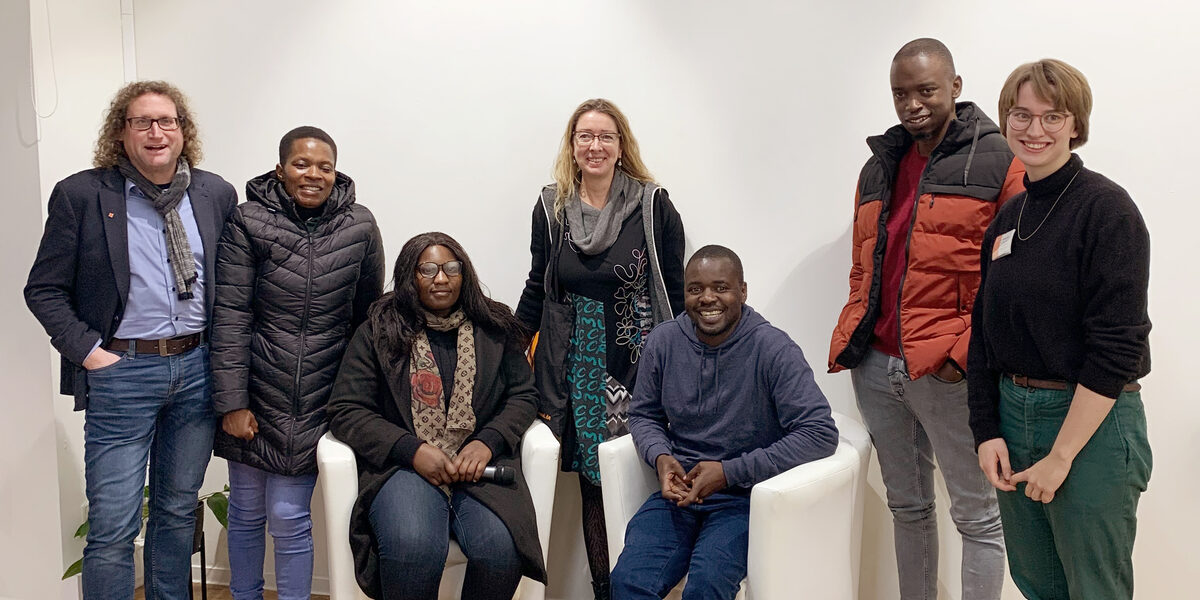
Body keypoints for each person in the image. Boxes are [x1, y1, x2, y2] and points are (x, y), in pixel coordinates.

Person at [827, 38, 1025, 600]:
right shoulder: (878, 165)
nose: (912, 103)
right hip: (878, 367)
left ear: (955, 88)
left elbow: (1009, 281)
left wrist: (959, 356)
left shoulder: (999, 161)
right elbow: (863, 266)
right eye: (900, 93)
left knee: (979, 516)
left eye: (926, 90)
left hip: (946, 371)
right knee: (907, 507)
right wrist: (857, 339)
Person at [24, 81, 237, 599]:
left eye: (167, 121)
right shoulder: (82, 195)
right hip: (122, 375)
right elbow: (44, 289)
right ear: (121, 133)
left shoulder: (214, 194)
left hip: (196, 372)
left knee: (175, 513)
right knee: (114, 528)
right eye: (141, 122)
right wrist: (91, 354)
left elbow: (232, 286)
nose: (155, 132)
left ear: (184, 132)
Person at [968, 59, 1152, 600]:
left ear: (1076, 124)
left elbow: (1117, 347)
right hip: (1013, 418)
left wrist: (1062, 454)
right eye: (1020, 115)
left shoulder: (1107, 210)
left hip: (1090, 424)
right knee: (1037, 584)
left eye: (1053, 117)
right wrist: (986, 431)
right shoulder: (1009, 218)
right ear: (1005, 121)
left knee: (1094, 589)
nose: (1034, 129)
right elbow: (984, 334)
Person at [515, 98, 685, 598]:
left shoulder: (652, 205)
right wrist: (509, 345)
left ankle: (643, 584)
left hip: (641, 358)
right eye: (585, 136)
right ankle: (604, 590)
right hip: (579, 362)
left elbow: (675, 290)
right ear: (572, 146)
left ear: (620, 145)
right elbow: (536, 284)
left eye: (605, 136)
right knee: (595, 483)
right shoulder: (551, 207)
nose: (595, 145)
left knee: (645, 473)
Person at [210, 126, 384, 600]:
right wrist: (232, 401)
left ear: (336, 172)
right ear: (280, 169)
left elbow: (367, 320)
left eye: (324, 167)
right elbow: (229, 314)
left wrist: (355, 401)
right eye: (302, 164)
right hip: (255, 391)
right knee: (246, 511)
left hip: (319, 396)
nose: (313, 174)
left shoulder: (360, 226)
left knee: (289, 516)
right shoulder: (247, 221)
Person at [611, 245, 838, 600]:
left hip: (743, 499)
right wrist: (660, 456)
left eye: (720, 287)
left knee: (707, 586)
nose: (707, 298)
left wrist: (730, 471)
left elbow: (819, 432)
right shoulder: (663, 341)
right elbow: (644, 414)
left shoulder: (773, 348)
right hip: (680, 495)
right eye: (695, 289)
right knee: (628, 581)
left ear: (742, 291)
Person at [328, 232, 546, 600]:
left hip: (479, 468)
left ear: (465, 273)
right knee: (414, 548)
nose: (440, 278)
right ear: (409, 276)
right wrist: (411, 449)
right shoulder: (378, 330)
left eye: (450, 268)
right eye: (427, 269)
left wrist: (486, 443)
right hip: (403, 467)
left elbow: (523, 395)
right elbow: (346, 409)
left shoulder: (494, 326)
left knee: (500, 551)